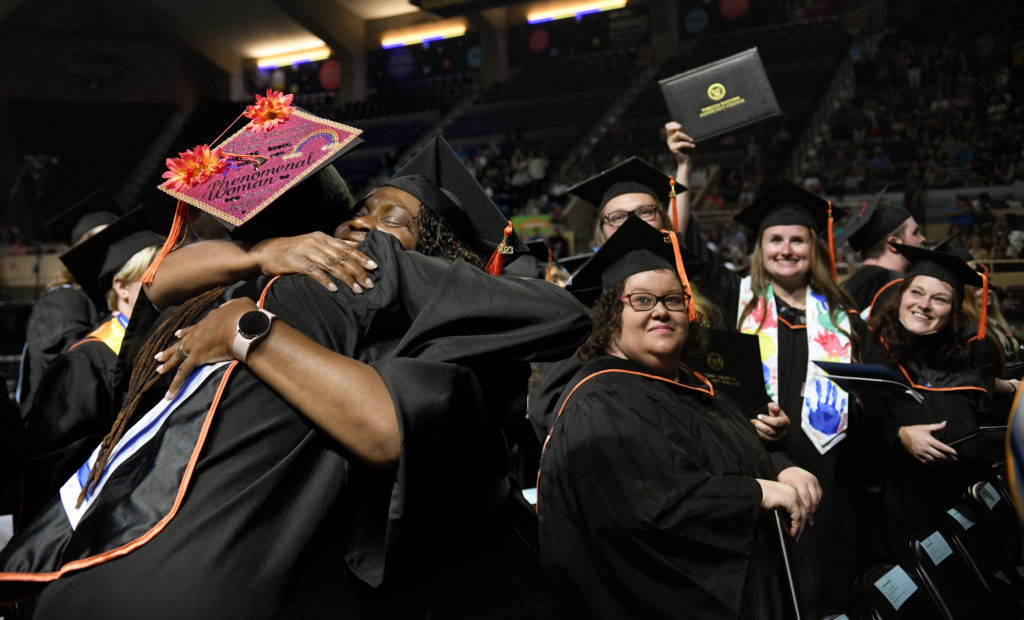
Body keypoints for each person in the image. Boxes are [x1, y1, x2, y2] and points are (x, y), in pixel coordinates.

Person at [0, 135, 589, 619]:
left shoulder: (373, 299)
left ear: (432, 257)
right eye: (360, 210)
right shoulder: (263, 292)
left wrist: (249, 330)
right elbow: (158, 281)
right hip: (176, 569)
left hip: (136, 575)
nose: (365, 227)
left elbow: (559, 315)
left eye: (395, 221)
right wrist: (260, 259)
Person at [537, 217, 820, 619]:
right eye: (642, 300)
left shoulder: (689, 382)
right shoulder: (600, 402)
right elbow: (652, 512)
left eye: (673, 300)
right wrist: (755, 494)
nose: (662, 312)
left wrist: (782, 468)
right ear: (609, 316)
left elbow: (736, 450)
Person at [17, 208, 163, 524]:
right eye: (154, 274)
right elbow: (56, 476)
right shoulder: (86, 360)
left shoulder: (169, 344)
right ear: (122, 287)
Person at [862, 244, 1006, 555]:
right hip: (892, 503)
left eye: (939, 299)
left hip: (959, 501)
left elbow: (986, 417)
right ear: (901, 295)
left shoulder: (975, 353)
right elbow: (857, 425)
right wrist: (900, 435)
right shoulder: (872, 347)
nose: (924, 305)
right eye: (916, 293)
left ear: (954, 310)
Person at [16, 190, 122, 407]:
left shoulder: (110, 297)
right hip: (65, 426)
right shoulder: (61, 301)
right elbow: (73, 369)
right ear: (81, 252)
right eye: (101, 242)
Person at [836, 188, 927, 312]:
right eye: (915, 233)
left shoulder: (844, 286)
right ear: (893, 243)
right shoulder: (896, 287)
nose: (922, 238)